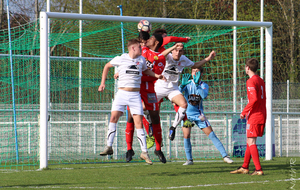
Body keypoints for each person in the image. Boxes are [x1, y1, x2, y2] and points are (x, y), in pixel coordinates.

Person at [98, 38, 165, 165]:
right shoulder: (121, 58)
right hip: (122, 93)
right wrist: (103, 83)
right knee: (113, 118)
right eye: (140, 47)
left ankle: (144, 152)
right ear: (133, 48)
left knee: (138, 122)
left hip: (135, 95)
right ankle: (109, 146)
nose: (142, 49)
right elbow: (107, 66)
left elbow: (145, 70)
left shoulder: (141, 60)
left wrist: (156, 76)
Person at [124, 34, 181, 164]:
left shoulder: (161, 59)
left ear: (155, 42)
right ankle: (129, 149)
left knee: (155, 116)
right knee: (130, 116)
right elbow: (132, 58)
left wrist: (145, 73)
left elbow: (153, 76)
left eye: (150, 39)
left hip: (150, 89)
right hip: (135, 87)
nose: (146, 41)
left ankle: (158, 149)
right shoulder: (142, 50)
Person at [153, 42, 216, 141]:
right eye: (176, 50)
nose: (177, 53)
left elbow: (195, 65)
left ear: (183, 52)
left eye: (180, 50)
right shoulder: (167, 57)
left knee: (184, 104)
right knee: (146, 108)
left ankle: (173, 127)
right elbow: (160, 55)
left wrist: (208, 58)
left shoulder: (184, 59)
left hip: (173, 88)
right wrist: (173, 47)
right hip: (160, 87)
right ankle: (150, 127)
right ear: (172, 50)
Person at [178, 67, 233, 165]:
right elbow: (177, 94)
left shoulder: (204, 85)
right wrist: (181, 86)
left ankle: (225, 156)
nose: (195, 73)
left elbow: (203, 95)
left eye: (197, 71)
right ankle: (189, 160)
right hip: (188, 116)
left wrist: (197, 85)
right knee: (186, 135)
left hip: (199, 115)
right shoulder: (187, 83)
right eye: (193, 71)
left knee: (211, 134)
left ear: (201, 74)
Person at [230, 58, 266, 175]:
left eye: (245, 67)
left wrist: (244, 112)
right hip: (262, 113)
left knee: (251, 142)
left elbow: (254, 99)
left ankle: (258, 169)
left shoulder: (251, 81)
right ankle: (245, 167)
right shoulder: (261, 80)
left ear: (248, 68)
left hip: (254, 115)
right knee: (249, 141)